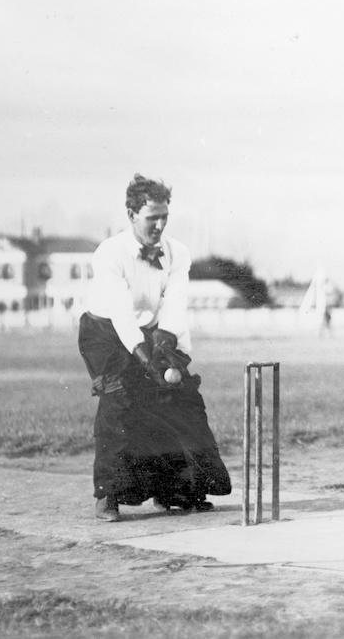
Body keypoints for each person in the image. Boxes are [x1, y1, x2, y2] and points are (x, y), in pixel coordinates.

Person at [78, 174, 231, 522]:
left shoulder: (178, 253)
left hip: (152, 329)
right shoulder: (110, 253)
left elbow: (176, 303)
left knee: (180, 398)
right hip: (106, 333)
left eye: (164, 217)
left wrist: (167, 337)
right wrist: (144, 357)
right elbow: (119, 312)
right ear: (131, 215)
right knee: (121, 399)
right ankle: (108, 495)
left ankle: (175, 491)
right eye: (152, 218)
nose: (159, 225)